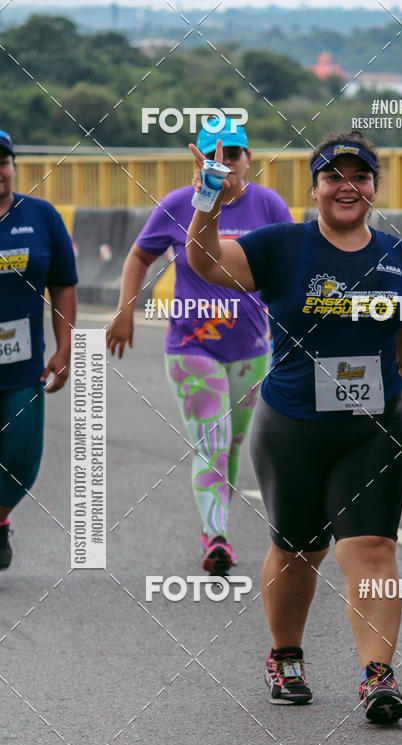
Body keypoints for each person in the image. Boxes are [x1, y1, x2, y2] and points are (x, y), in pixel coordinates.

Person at [186, 130, 402, 724]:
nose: (347, 187)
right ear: (314, 187)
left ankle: (378, 674)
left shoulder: (395, 254)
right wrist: (207, 200)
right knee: (298, 551)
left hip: (374, 425)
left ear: (375, 186)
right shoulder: (282, 245)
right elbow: (206, 261)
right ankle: (286, 657)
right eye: (332, 177)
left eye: (360, 176)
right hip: (293, 426)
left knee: (372, 547)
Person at [107, 118, 292, 574]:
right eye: (214, 156)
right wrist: (126, 310)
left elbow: (289, 268)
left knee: (233, 445)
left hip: (252, 350)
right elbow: (139, 256)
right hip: (193, 348)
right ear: (199, 161)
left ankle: (217, 526)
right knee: (213, 442)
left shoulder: (268, 205)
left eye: (233, 154)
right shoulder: (177, 205)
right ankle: (216, 537)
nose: (224, 163)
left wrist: (292, 328)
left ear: (248, 158)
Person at [0, 130, 77, 570]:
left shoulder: (41, 216)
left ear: (13, 166)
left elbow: (63, 284)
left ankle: (0, 519)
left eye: (2, 161)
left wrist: (64, 348)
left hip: (22, 367)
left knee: (20, 460)